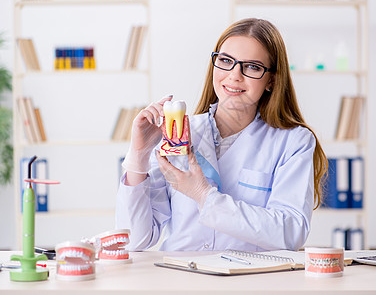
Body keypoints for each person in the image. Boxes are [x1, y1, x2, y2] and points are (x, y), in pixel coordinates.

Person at [116, 18, 327, 252]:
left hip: (250, 282)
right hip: (181, 281)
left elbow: (291, 232)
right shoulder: (178, 134)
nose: (235, 76)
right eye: (226, 61)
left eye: (252, 67)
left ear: (271, 80)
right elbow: (133, 240)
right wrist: (139, 154)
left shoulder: (293, 141)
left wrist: (203, 196)